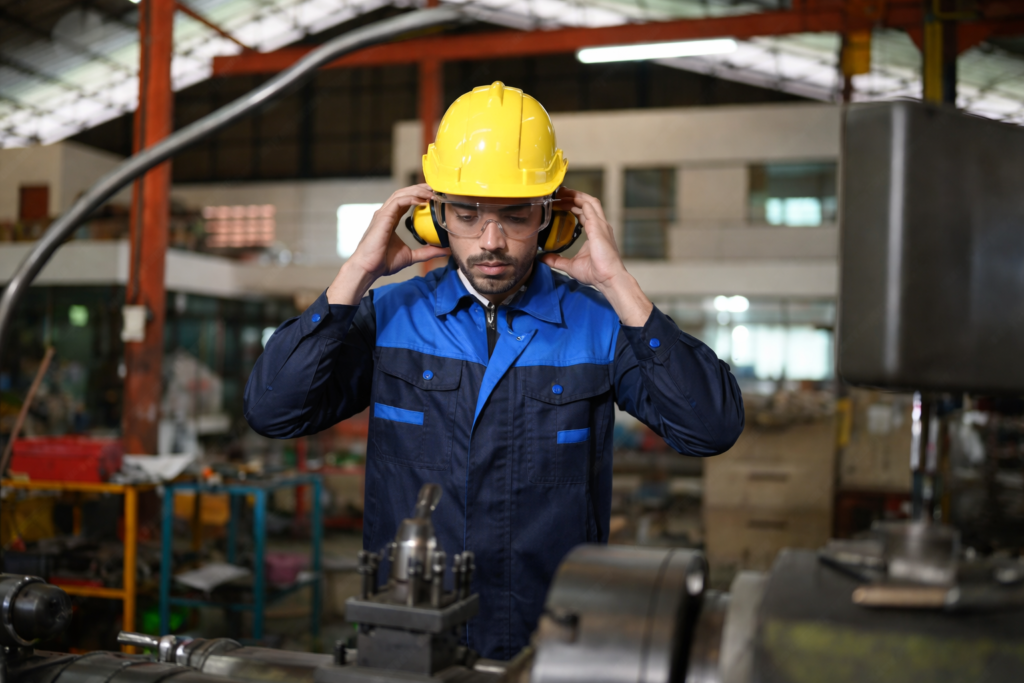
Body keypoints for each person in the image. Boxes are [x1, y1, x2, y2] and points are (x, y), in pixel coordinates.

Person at [244, 81, 744, 660]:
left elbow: (710, 427)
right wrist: (354, 275)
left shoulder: (601, 325)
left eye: (516, 216)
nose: (491, 241)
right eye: (466, 214)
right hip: (408, 637)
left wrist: (618, 284)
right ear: (433, 218)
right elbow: (273, 410)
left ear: (554, 221)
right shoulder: (387, 318)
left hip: (549, 645)